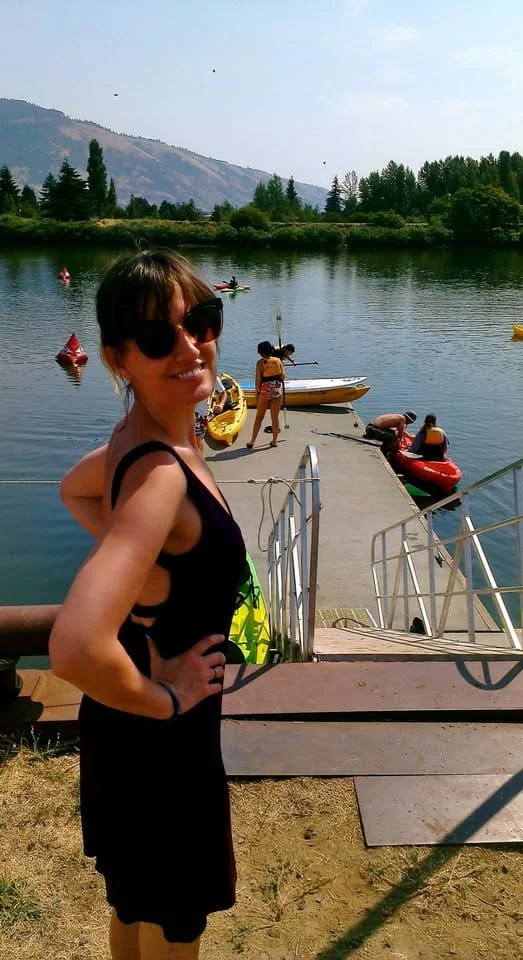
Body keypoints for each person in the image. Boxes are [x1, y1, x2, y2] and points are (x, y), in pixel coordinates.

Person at [49, 249, 247, 960]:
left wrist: (144, 573)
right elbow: (73, 647)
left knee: (137, 904)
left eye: (201, 322)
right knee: (172, 923)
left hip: (125, 727)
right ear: (118, 360)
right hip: (163, 739)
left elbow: (75, 489)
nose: (190, 348)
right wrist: (166, 699)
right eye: (160, 338)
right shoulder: (162, 476)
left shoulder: (138, 443)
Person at [246, 340, 285, 449]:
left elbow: (258, 379)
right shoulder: (278, 360)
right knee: (275, 417)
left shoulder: (260, 363)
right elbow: (283, 376)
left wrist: (257, 392)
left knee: (259, 417)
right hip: (277, 391)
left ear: (261, 352)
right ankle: (274, 441)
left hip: (264, 392)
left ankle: (252, 441)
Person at [194, 375, 227, 453]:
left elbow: (223, 393)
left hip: (200, 414)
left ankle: (200, 459)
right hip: (185, 413)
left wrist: (221, 404)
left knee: (197, 441)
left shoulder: (212, 376)